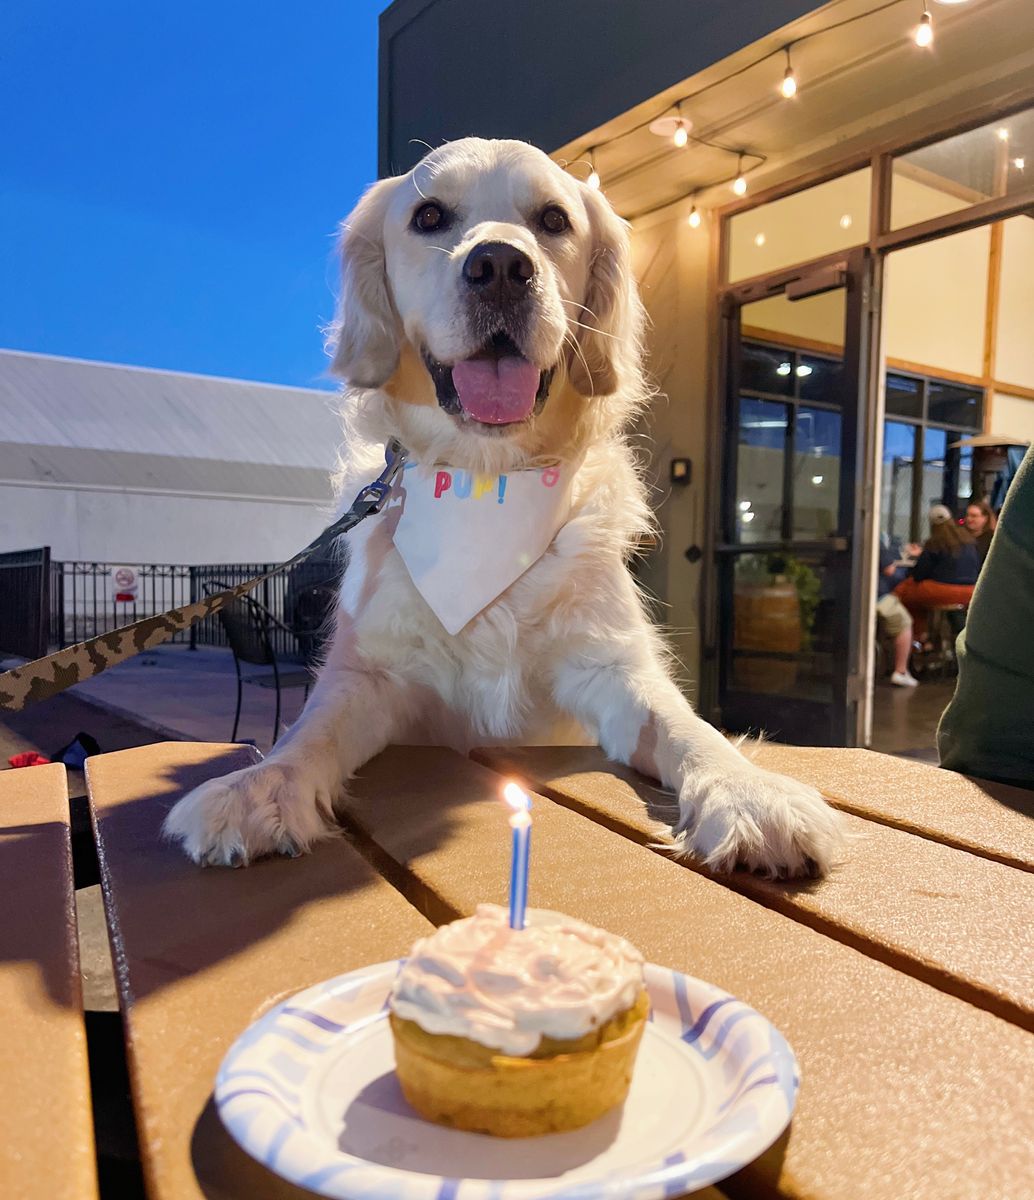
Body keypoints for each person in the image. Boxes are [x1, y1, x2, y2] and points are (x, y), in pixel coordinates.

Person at [939, 447, 1034, 788]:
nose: (972, 521)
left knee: (905, 595)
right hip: (997, 764)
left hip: (1000, 767)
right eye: (969, 517)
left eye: (977, 516)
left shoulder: (981, 542)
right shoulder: (972, 541)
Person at [894, 504, 980, 642]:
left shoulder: (935, 542)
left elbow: (919, 574)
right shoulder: (968, 541)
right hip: (970, 592)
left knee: (906, 592)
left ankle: (917, 636)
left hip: (942, 592)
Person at [876, 540, 919, 687]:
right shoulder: (872, 539)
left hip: (848, 597)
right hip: (875, 596)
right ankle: (900, 671)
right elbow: (889, 570)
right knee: (904, 621)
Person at [963, 498, 996, 563]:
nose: (969, 519)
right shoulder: (961, 537)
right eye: (967, 515)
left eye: (974, 516)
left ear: (985, 518)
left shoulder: (992, 539)